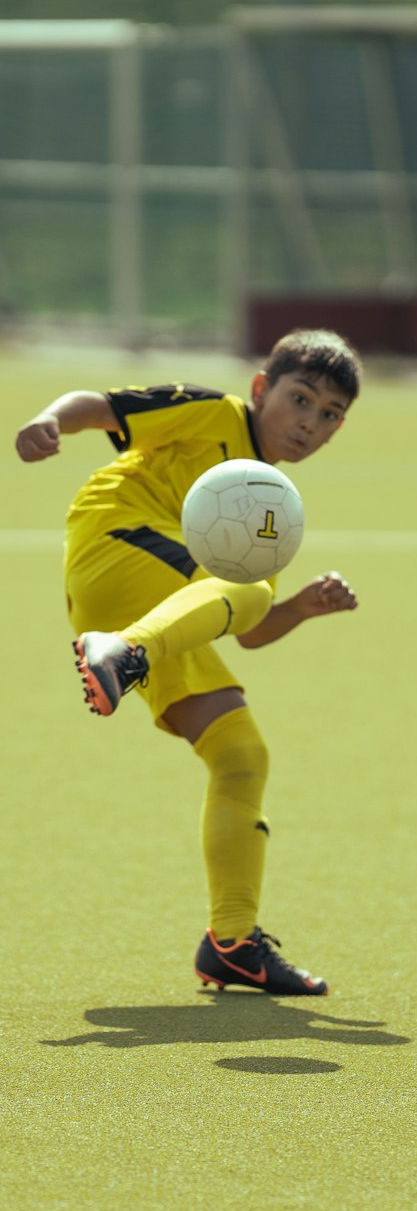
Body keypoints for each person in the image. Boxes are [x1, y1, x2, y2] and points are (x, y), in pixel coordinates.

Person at [15, 328, 363, 997]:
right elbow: (102, 405)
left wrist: (298, 608)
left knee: (240, 751)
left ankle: (231, 943)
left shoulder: (267, 497)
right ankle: (126, 653)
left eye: (329, 416)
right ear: (261, 389)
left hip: (157, 606)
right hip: (115, 540)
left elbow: (247, 631)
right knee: (249, 582)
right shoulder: (214, 413)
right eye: (299, 399)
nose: (309, 422)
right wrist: (48, 421)